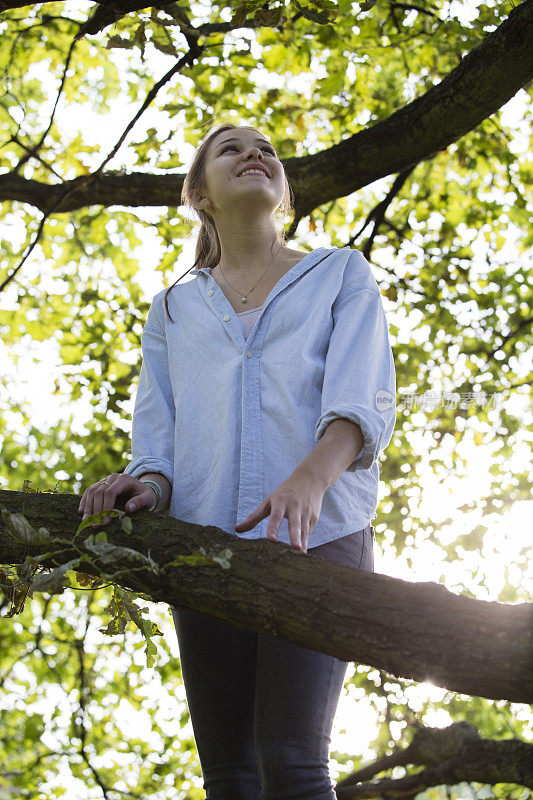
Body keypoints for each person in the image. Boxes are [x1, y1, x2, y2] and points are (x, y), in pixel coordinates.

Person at [78, 122, 397, 799]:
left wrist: (308, 479)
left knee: (292, 762)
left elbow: (360, 400)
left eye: (268, 151)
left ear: (281, 192)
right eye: (232, 148)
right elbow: (158, 442)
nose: (256, 154)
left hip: (321, 537)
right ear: (200, 194)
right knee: (228, 776)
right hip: (205, 545)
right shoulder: (171, 308)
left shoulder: (338, 272)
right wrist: (144, 485)